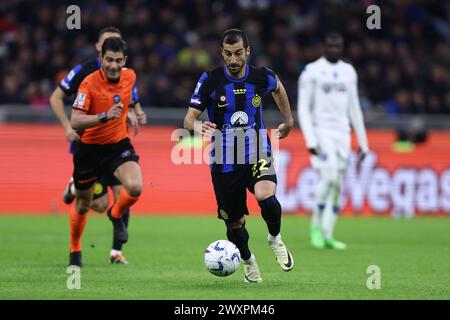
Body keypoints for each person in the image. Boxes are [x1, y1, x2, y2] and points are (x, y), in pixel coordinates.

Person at [184, 29, 295, 283]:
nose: (233, 60)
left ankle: (275, 238)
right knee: (234, 223)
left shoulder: (260, 76)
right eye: (227, 54)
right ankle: (247, 260)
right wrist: (198, 126)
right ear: (221, 53)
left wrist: (288, 120)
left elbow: (278, 87)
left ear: (247, 51)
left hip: (257, 148)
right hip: (224, 160)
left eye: (237, 54)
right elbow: (189, 118)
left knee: (266, 196)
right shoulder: (210, 80)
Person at [49, 27, 147, 264]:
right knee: (86, 205)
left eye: (118, 60)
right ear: (100, 56)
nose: (113, 65)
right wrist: (103, 116)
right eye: (109, 60)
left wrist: (135, 111)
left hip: (117, 145)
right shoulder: (87, 81)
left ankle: (116, 234)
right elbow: (75, 119)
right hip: (90, 150)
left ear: (124, 60)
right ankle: (75, 249)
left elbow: (130, 98)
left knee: (134, 187)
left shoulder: (130, 76)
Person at [297, 32, 369, 250]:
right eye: (330, 45)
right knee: (328, 178)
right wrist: (310, 140)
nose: (334, 49)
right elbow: (303, 109)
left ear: (342, 47)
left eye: (338, 46)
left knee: (337, 184)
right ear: (324, 46)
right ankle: (315, 228)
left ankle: (328, 233)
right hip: (322, 132)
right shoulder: (312, 72)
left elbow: (354, 108)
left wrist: (363, 142)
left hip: (342, 134)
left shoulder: (348, 72)